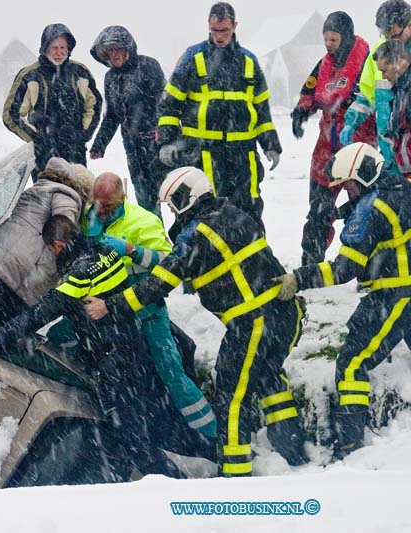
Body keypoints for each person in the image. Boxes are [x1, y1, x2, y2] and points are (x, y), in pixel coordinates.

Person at [83, 167, 309, 477]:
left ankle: (235, 475)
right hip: (282, 315)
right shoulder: (233, 213)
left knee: (231, 399)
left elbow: (159, 282)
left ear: (189, 196)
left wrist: (111, 306)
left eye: (175, 203)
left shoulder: (198, 234)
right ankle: (293, 452)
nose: (174, 211)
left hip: (252, 322)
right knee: (271, 382)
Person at [0, 215, 187, 480]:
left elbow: (37, 316)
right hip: (135, 348)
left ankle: (177, 485)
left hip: (114, 364)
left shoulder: (77, 277)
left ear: (56, 245)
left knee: (133, 439)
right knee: (141, 426)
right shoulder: (105, 251)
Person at [273, 143, 411, 458]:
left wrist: (299, 278)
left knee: (351, 365)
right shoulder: (401, 187)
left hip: (395, 294)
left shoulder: (371, 209)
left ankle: (350, 448)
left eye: (347, 185)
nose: (346, 192)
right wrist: (341, 213)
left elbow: (344, 270)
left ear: (362, 177)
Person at [83, 172, 217, 438]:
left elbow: (169, 263)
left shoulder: (144, 222)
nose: (101, 210)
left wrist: (132, 250)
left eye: (107, 206)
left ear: (122, 197)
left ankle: (213, 436)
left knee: (172, 373)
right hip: (104, 311)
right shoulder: (89, 217)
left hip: (145, 310)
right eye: (96, 204)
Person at [156, 2, 280, 235]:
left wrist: (271, 145)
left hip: (244, 157)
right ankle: (206, 266)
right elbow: (170, 106)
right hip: (202, 156)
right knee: (205, 212)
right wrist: (166, 141)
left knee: (249, 209)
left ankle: (253, 264)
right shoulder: (193, 58)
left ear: (234, 26)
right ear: (208, 26)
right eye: (214, 30)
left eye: (224, 30)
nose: (219, 36)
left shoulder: (249, 62)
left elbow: (262, 111)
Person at [0, 157, 91, 331]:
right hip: (16, 273)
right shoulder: (68, 195)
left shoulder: (38, 189)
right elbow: (64, 222)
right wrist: (64, 246)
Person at [292, 12, 376, 266]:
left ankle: (367, 268)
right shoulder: (323, 64)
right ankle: (311, 262)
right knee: (319, 209)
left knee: (365, 211)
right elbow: (309, 91)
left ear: (347, 38)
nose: (329, 44)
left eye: (334, 39)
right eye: (326, 39)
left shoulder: (367, 63)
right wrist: (300, 111)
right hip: (326, 147)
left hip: (360, 145)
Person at [3, 23, 102, 179]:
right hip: (44, 158)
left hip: (75, 155)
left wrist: (82, 134)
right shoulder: (30, 75)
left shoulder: (80, 72)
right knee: (47, 199)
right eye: (54, 47)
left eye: (63, 48)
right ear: (45, 47)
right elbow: (11, 115)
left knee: (77, 198)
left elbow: (94, 106)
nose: (59, 52)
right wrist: (38, 139)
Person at [88, 26, 166, 215]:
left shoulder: (148, 66)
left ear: (128, 49)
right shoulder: (110, 78)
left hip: (158, 144)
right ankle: (154, 242)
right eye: (109, 51)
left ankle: (185, 241)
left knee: (172, 195)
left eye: (117, 49)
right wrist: (99, 143)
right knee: (146, 204)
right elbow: (113, 115)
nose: (113, 54)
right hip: (133, 148)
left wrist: (163, 129)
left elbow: (164, 101)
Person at [340, 0, 411, 177]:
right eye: (385, 36)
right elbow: (366, 96)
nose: (389, 41)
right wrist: (351, 122)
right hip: (392, 156)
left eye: (394, 36)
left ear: (409, 24)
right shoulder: (380, 53)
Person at [376, 40, 411, 177]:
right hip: (405, 174)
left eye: (384, 70)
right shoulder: (400, 90)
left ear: (399, 62)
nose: (383, 76)